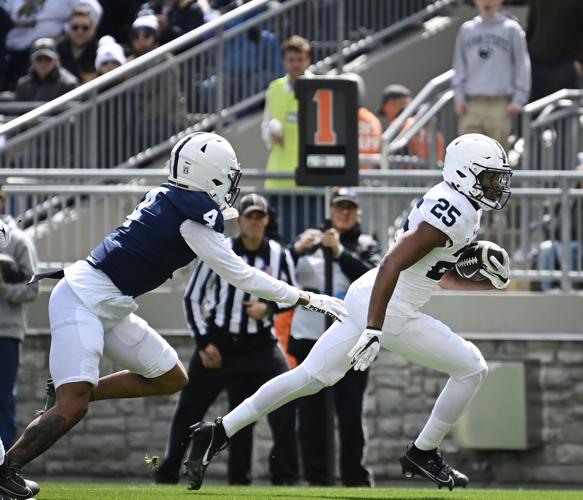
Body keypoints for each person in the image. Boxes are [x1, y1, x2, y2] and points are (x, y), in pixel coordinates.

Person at [185, 133, 513, 491]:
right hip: (388, 309)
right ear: (465, 173)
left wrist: (489, 282)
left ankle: (218, 431)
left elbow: (438, 276)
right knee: (472, 367)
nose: (495, 186)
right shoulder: (455, 210)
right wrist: (375, 328)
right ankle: (424, 451)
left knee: (308, 377)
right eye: (488, 177)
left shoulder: (460, 205)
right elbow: (392, 262)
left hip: (370, 296)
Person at [4, 132, 346, 475]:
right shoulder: (191, 218)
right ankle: (7, 470)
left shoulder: (167, 197)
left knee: (170, 377)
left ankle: (76, 390)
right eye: (228, 174)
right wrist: (307, 298)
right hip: (82, 298)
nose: (231, 184)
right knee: (73, 406)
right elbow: (242, 276)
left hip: (109, 303)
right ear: (210, 173)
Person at [156, 193, 299, 486]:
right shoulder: (220, 251)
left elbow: (292, 295)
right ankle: (168, 472)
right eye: (249, 217)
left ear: (266, 220)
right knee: (190, 407)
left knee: (285, 399)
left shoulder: (278, 254)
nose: (255, 222)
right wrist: (204, 342)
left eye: (260, 217)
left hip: (260, 345)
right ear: (241, 220)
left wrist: (268, 307)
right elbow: (192, 297)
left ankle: (284, 478)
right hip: (219, 344)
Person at [287, 188, 381, 486]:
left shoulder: (366, 243)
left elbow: (377, 278)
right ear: (330, 210)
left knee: (350, 415)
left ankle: (355, 479)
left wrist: (340, 253)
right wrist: (295, 250)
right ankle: (316, 479)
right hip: (310, 340)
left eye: (350, 208)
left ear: (358, 213)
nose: (345, 213)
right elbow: (278, 273)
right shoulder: (309, 239)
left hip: (351, 345)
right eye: (340, 207)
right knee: (311, 417)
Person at [452, 0, 531, 152]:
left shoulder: (511, 29)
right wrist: (459, 96)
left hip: (499, 104)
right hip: (472, 103)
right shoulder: (467, 29)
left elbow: (522, 64)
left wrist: (519, 98)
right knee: (468, 156)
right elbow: (459, 66)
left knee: (497, 159)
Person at [0, 214, 39, 500]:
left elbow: (32, 288)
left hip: (5, 333)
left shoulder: (19, 241)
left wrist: (2, 286)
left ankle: (6, 473)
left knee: (3, 402)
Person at [261, 35, 312, 189]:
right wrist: (271, 133)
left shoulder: (318, 88)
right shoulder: (274, 88)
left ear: (308, 60)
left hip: (310, 178)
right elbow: (265, 124)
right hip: (278, 177)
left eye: (300, 59)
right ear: (284, 61)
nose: (296, 64)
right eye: (291, 60)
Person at [526, 0, 583, 102]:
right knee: (535, 112)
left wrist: (580, 60)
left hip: (565, 64)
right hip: (535, 63)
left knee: (562, 112)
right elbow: (531, 26)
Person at [378, 83, 445, 163]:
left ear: (391, 104)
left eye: (384, 111)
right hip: (435, 172)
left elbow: (394, 159)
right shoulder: (428, 121)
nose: (387, 115)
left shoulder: (401, 126)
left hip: (410, 173)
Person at [57, 6, 99, 83]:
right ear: (68, 28)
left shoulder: (100, 51)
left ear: (93, 29)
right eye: (75, 27)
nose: (80, 31)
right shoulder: (57, 49)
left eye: (85, 28)